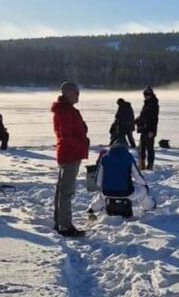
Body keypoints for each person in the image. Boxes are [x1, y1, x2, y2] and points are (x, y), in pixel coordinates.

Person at [51, 81, 90, 237]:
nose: (78, 95)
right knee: (66, 191)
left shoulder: (66, 110)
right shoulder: (65, 111)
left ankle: (60, 221)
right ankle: (65, 226)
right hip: (70, 153)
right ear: (67, 93)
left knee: (62, 190)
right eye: (76, 92)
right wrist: (81, 144)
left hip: (69, 152)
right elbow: (67, 135)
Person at [87, 139, 156, 217]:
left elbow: (98, 182)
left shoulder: (104, 158)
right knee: (143, 191)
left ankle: (92, 209)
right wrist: (144, 184)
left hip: (107, 193)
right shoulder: (128, 157)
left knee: (101, 196)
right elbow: (138, 177)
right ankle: (149, 207)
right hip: (126, 193)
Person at [135, 86, 159, 170]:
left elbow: (153, 119)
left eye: (147, 94)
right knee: (142, 148)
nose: (145, 96)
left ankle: (150, 165)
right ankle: (142, 165)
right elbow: (143, 115)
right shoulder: (147, 103)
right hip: (144, 129)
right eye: (144, 94)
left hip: (149, 130)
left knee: (149, 148)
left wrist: (152, 131)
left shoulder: (153, 104)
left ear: (151, 94)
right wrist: (138, 120)